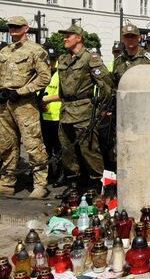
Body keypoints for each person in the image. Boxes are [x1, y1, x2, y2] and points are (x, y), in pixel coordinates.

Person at [57, 24, 114, 193]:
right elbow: (62, 86)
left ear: (79, 38)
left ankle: (99, 183)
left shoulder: (91, 58)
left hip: (84, 111)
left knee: (88, 149)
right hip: (66, 110)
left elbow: (106, 86)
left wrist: (100, 110)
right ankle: (73, 183)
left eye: (69, 36)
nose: (65, 39)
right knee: (67, 149)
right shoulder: (63, 59)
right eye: (65, 36)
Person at [0, 16, 51, 198]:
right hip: (4, 104)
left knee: (33, 144)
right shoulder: (4, 51)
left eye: (17, 26)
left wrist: (22, 91)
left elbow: (44, 77)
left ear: (26, 28)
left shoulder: (36, 50)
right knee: (6, 145)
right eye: (11, 26)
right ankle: (7, 182)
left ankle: (40, 184)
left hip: (24, 104)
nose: (13, 29)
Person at [40, 44, 64, 187]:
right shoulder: (41, 73)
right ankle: (47, 174)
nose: (51, 62)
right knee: (45, 149)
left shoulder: (60, 73)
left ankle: (61, 174)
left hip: (57, 117)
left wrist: (47, 100)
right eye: (48, 59)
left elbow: (64, 93)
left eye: (53, 59)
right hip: (43, 117)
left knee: (59, 149)